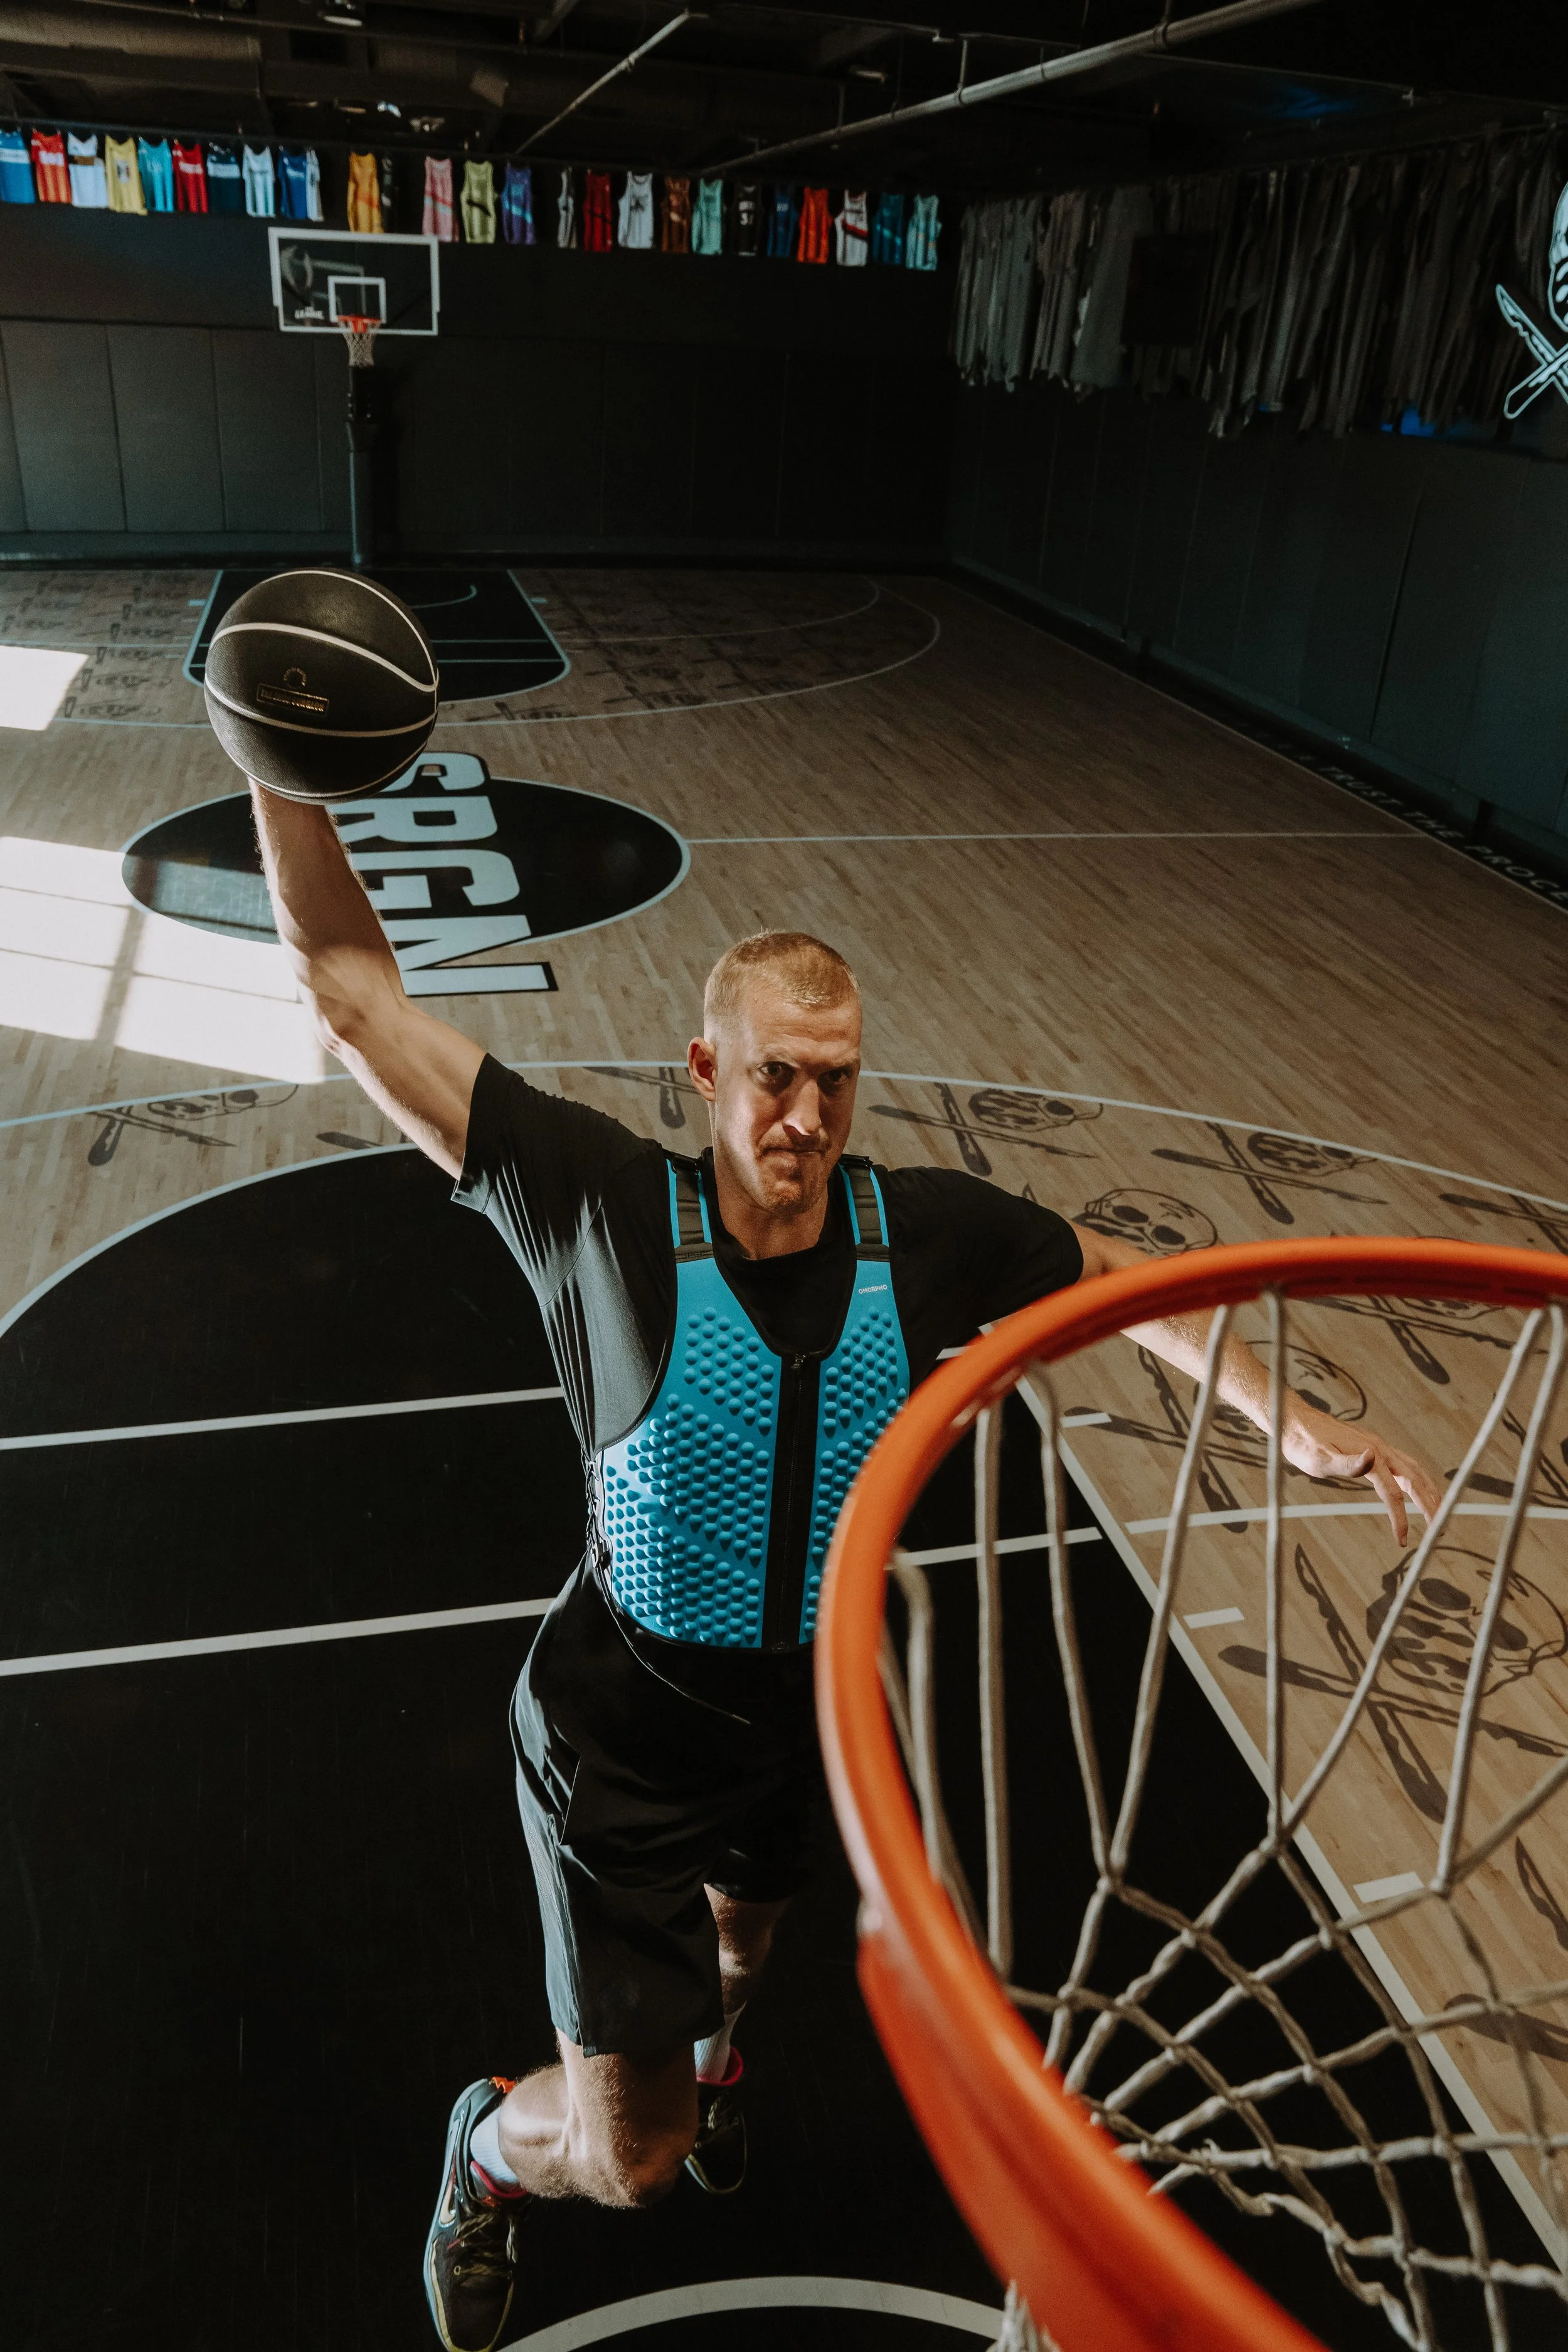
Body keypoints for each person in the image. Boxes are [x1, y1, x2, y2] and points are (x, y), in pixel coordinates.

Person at [250, 785, 1441, 2352]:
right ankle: (486, 2150)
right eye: (771, 1079)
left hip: (804, 1714)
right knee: (635, 2157)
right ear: (704, 1073)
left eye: (832, 1082)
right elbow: (350, 993)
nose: (804, 1116)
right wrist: (270, 756)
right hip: (620, 1735)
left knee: (742, 1968)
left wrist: (1285, 1430)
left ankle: (717, 2046)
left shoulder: (915, 1238)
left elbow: (1109, 1277)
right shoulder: (595, 1202)